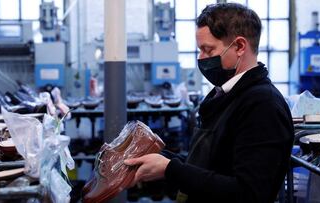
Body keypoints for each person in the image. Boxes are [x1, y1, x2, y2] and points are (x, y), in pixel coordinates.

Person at [124, 3, 294, 202]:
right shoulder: (224, 94)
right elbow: (211, 167)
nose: (201, 58)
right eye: (200, 50)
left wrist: (171, 170)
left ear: (239, 46)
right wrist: (163, 159)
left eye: (208, 50)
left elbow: (249, 193)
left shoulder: (263, 106)